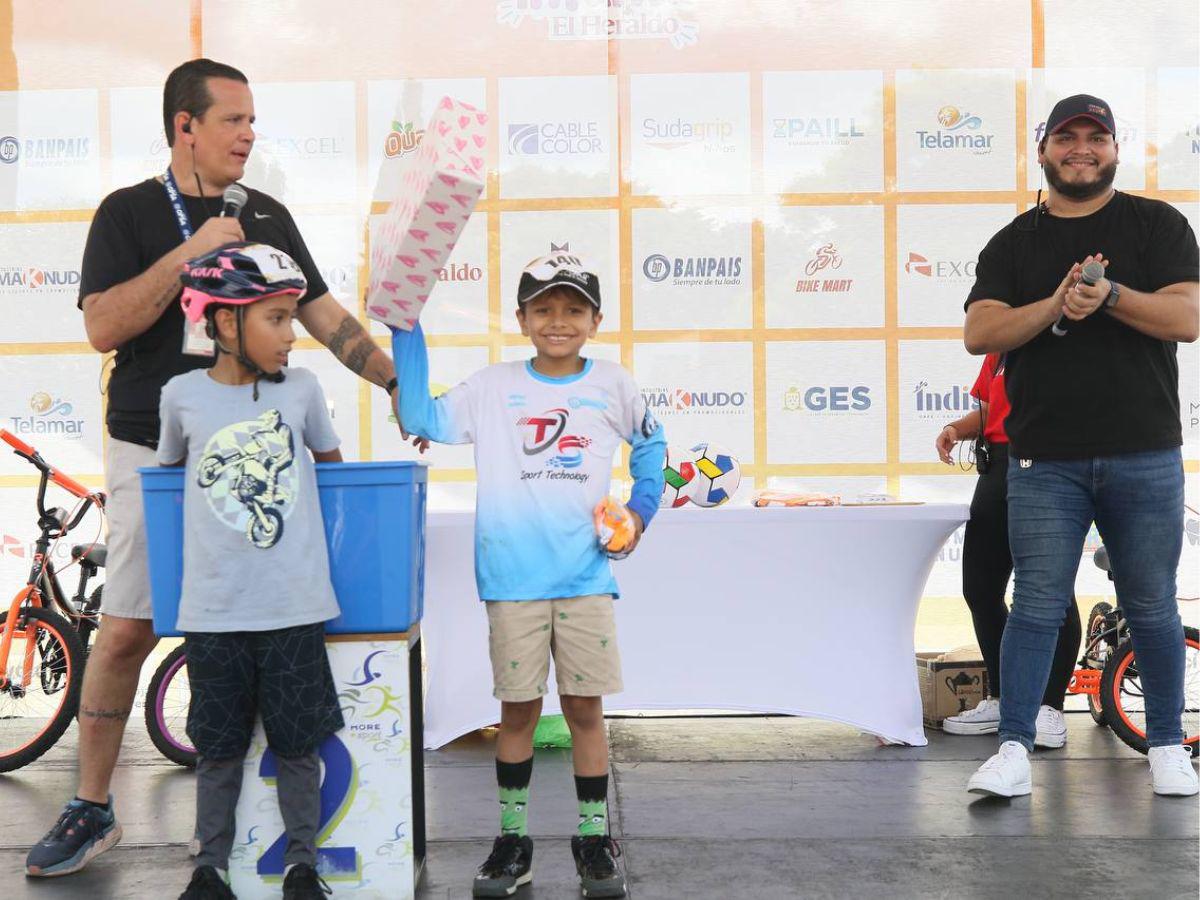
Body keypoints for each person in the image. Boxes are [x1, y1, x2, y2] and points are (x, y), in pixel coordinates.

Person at [25, 58, 422, 878]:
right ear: (185, 127)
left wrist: (394, 381)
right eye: (234, 120)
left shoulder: (268, 213)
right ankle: (91, 807)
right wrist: (191, 254)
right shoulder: (129, 212)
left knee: (281, 625)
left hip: (262, 448)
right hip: (155, 445)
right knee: (131, 624)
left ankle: (291, 847)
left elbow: (321, 313)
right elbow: (103, 326)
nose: (249, 134)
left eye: (252, 120)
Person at [391, 252, 666, 898]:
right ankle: (514, 843)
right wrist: (406, 327)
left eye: (573, 308)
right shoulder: (492, 387)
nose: (558, 321)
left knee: (585, 712)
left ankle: (593, 839)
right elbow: (421, 419)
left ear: (596, 319)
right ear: (521, 318)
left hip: (586, 580)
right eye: (543, 308)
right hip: (512, 581)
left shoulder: (614, 384)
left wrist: (640, 509)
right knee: (516, 714)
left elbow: (651, 444)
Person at [961, 94, 1199, 798]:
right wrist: (1059, 302)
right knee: (1035, 602)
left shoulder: (1156, 224)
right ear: (1043, 151)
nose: (1081, 149)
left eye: (1096, 137)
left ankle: (1165, 747)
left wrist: (1113, 294)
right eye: (1067, 138)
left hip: (1145, 453)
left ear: (1116, 149)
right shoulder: (1014, 242)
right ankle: (1014, 748)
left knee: (1152, 604)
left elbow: (1187, 318)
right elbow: (981, 332)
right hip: (1044, 459)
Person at [163, 243, 342, 900]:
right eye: (275, 318)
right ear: (224, 321)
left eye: (292, 316)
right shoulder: (180, 396)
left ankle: (304, 867)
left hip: (293, 604)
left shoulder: (304, 390)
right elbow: (167, 483)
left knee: (299, 746)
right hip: (212, 610)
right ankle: (208, 868)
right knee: (217, 747)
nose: (291, 334)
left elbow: (331, 468)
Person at [935, 353, 1082, 748]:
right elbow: (987, 411)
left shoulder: (1064, 336)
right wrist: (955, 427)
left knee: (1050, 593)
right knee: (980, 589)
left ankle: (1049, 706)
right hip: (999, 466)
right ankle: (1005, 697)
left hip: (1049, 464)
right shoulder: (999, 345)